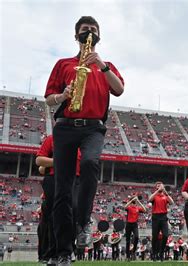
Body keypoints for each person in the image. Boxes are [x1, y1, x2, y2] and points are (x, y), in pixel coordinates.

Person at [44, 15, 124, 266]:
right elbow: (48, 98)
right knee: (62, 193)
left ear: (98, 36)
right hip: (65, 127)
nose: (89, 33)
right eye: (84, 29)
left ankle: (84, 221)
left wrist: (102, 65)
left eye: (93, 30)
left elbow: (119, 89)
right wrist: (63, 95)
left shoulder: (105, 64)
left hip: (93, 128)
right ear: (76, 35)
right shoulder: (63, 63)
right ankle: (63, 252)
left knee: (90, 163)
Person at [36, 135, 81, 265]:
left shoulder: (84, 141)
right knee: (53, 217)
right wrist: (58, 161)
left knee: (72, 211)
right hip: (54, 178)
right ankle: (54, 254)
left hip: (75, 179)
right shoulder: (52, 139)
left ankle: (66, 251)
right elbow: (39, 162)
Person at [149, 181, 174, 261]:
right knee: (155, 237)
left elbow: (172, 202)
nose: (159, 187)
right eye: (158, 186)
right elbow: (150, 199)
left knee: (166, 235)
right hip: (155, 217)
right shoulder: (154, 196)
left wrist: (165, 192)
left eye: (160, 185)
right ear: (156, 187)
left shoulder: (165, 195)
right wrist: (157, 191)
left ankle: (161, 253)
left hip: (163, 217)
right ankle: (154, 253)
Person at [124, 196, 146, 261]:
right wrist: (131, 200)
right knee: (128, 241)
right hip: (128, 224)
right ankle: (127, 255)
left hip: (134, 224)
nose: (134, 203)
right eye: (133, 202)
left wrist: (138, 201)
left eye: (134, 202)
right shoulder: (129, 207)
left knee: (136, 237)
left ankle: (133, 251)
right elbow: (125, 207)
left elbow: (144, 210)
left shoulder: (137, 208)